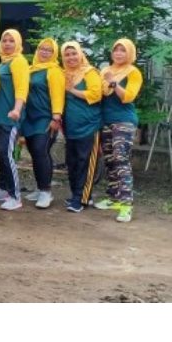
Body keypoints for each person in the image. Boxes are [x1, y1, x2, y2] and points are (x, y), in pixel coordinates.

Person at [97, 38, 143, 223]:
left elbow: (128, 97)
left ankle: (126, 205)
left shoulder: (133, 72)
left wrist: (114, 83)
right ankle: (114, 198)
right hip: (106, 120)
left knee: (120, 159)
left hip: (124, 121)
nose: (118, 53)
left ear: (129, 53)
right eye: (116, 49)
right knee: (109, 160)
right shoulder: (105, 71)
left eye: (123, 50)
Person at [0, 29, 30, 210]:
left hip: (10, 117)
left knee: (6, 154)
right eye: (4, 40)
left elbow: (22, 88)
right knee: (1, 153)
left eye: (12, 41)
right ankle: (3, 188)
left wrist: (17, 109)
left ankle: (15, 196)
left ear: (18, 43)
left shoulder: (19, 61)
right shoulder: (3, 63)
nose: (7, 44)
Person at [20, 37, 65, 209]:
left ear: (54, 53)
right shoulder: (31, 69)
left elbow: (58, 95)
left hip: (45, 118)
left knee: (41, 151)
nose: (45, 52)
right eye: (42, 49)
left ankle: (46, 192)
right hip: (29, 117)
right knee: (35, 153)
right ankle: (40, 188)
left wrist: (56, 117)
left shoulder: (54, 71)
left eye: (49, 50)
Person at [61, 40, 103, 213]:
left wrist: (72, 90)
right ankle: (77, 195)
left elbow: (96, 95)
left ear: (81, 54)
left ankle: (81, 199)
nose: (71, 57)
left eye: (74, 53)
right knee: (72, 163)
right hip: (70, 128)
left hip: (89, 126)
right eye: (67, 54)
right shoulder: (64, 74)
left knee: (85, 162)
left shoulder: (89, 72)